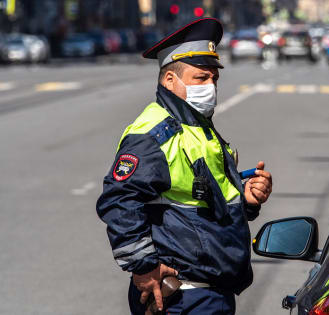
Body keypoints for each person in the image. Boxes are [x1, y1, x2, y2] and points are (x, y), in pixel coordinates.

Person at [96, 18, 272, 315]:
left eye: (214, 79)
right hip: (183, 297)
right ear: (169, 81)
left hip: (208, 293)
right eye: (200, 79)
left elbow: (200, 200)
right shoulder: (155, 133)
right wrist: (144, 267)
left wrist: (247, 199)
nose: (211, 87)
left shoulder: (195, 125)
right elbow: (119, 199)